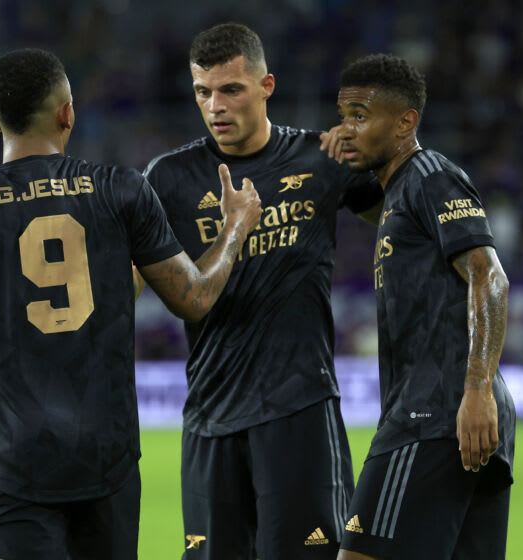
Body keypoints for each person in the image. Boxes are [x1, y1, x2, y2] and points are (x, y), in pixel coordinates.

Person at [0, 48, 262, 560]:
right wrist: (235, 228)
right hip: (108, 461)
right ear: (68, 112)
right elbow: (195, 298)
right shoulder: (122, 192)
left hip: (17, 464)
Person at [142, 23, 385, 559]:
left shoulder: (320, 160)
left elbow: (400, 210)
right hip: (211, 416)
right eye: (203, 92)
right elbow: (124, 291)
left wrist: (374, 144)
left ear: (266, 85)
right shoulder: (169, 179)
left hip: (299, 410)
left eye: (231, 89)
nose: (215, 106)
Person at [322, 54, 515, 560]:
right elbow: (379, 208)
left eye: (360, 116)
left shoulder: (431, 174)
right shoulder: (399, 195)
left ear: (406, 122)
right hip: (449, 413)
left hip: (433, 411)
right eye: (343, 115)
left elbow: (489, 277)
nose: (347, 129)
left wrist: (475, 390)